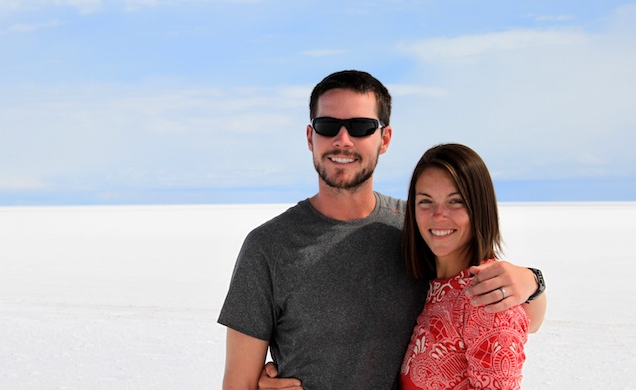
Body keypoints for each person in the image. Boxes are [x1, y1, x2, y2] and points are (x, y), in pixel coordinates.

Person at [218, 70, 546, 390]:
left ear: (384, 139)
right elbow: (239, 384)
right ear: (310, 137)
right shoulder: (268, 246)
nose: (342, 140)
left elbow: (515, 320)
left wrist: (533, 281)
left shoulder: (420, 230)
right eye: (328, 126)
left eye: (361, 127)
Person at [399, 144, 543, 389]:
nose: (438, 215)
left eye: (455, 201)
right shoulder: (429, 284)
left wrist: (534, 281)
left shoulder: (486, 297)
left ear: (479, 207)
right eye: (425, 201)